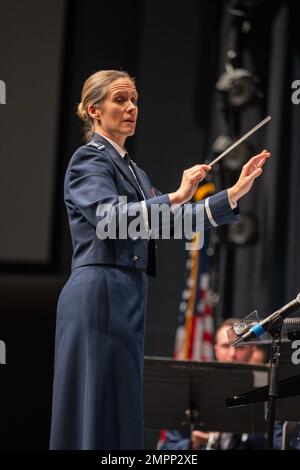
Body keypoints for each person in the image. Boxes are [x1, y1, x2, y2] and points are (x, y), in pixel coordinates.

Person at [49, 69, 271, 450]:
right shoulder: (89, 160)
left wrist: (231, 195)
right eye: (120, 100)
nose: (131, 107)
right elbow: (112, 218)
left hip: (126, 293)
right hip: (98, 292)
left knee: (119, 407)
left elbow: (168, 224)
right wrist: (173, 196)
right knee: (96, 405)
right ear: (94, 110)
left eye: (134, 100)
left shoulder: (133, 171)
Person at [160, 318, 266, 450]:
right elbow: (167, 448)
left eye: (240, 347)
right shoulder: (193, 391)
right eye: (226, 346)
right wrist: (191, 444)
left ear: (252, 350)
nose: (232, 354)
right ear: (216, 350)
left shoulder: (266, 395)